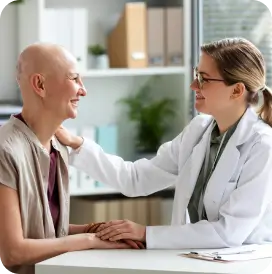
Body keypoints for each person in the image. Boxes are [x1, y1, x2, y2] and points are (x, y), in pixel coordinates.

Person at [56, 37, 272, 250]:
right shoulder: (199, 130)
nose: (193, 85)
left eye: (204, 79)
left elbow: (228, 233)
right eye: (197, 75)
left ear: (236, 90)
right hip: (197, 259)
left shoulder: (262, 145)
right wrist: (76, 144)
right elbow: (136, 179)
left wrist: (145, 233)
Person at [0, 43, 131, 274]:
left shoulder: (58, 145)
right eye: (74, 79)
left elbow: (44, 231)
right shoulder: (5, 150)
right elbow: (12, 252)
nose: (83, 90)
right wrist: (88, 240)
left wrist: (95, 230)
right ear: (40, 85)